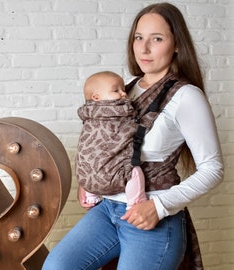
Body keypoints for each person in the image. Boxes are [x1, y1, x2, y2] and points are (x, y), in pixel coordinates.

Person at [42, 2, 224, 270]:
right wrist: (93, 177)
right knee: (56, 267)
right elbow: (102, 142)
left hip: (152, 217)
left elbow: (213, 169)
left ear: (176, 45)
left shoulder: (186, 96)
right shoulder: (124, 89)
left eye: (157, 39)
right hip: (108, 210)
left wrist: (159, 206)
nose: (144, 48)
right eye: (139, 37)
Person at [76, 71, 147, 209]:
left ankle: (91, 196)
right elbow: (132, 127)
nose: (123, 94)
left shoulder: (88, 116)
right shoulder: (122, 111)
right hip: (114, 173)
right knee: (135, 170)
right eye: (116, 90)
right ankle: (136, 202)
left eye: (123, 89)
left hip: (87, 176)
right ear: (96, 97)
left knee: (89, 157)